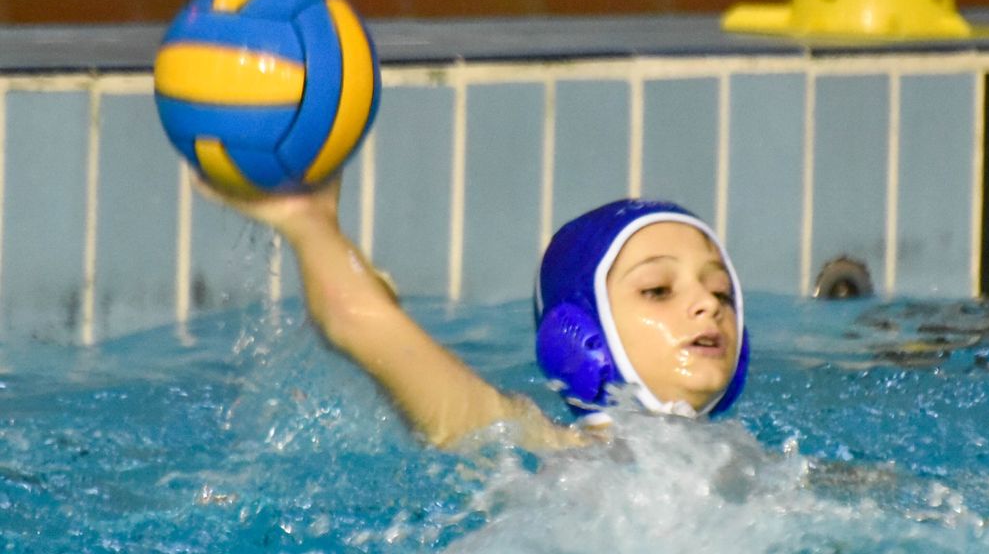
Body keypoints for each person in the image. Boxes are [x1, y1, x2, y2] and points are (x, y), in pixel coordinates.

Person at [202, 175, 749, 452]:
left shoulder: (761, 465)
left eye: (722, 292)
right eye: (657, 289)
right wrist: (307, 221)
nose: (707, 305)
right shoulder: (546, 452)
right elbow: (353, 321)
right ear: (579, 338)